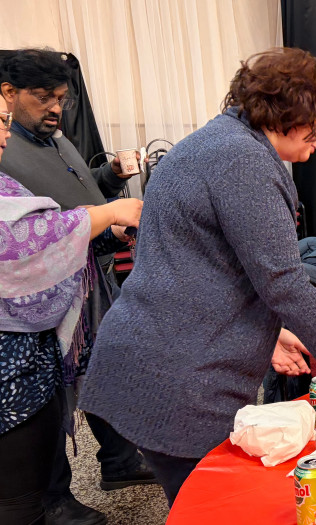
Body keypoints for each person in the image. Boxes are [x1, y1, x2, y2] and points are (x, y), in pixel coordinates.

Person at [78, 48, 316, 507]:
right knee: (212, 506)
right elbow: (285, 284)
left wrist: (269, 335)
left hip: (156, 356)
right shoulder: (242, 160)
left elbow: (201, 265)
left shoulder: (218, 141)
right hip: (178, 375)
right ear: (293, 113)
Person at [0, 47, 152, 525]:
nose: (54, 108)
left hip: (92, 279)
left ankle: (119, 461)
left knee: (108, 371)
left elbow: (80, 198)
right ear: (9, 93)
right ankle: (51, 498)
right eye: (43, 97)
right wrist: (104, 220)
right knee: (50, 396)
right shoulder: (6, 150)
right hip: (44, 296)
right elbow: (29, 234)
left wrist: (111, 178)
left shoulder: (56, 141)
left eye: (61, 98)